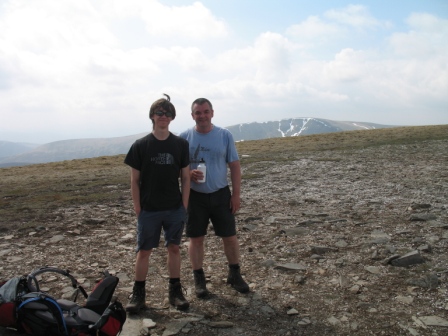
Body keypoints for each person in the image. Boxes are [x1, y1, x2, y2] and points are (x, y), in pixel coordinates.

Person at [124, 94, 190, 312]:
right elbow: (134, 180)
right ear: (152, 116)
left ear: (172, 118)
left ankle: (175, 292)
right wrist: (137, 208)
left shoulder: (180, 144)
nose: (164, 116)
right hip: (149, 209)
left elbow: (186, 177)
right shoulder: (140, 145)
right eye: (160, 112)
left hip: (174, 208)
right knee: (144, 251)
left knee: (174, 248)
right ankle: (138, 295)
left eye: (168, 113)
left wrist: (184, 205)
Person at [179, 98, 249, 298]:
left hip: (220, 194)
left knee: (229, 236)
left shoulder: (224, 135)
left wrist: (236, 195)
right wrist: (188, 174)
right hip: (194, 196)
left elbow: (234, 165)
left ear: (212, 113)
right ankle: (199, 279)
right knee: (196, 238)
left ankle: (234, 274)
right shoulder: (184, 138)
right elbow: (178, 168)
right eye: (198, 113)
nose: (202, 116)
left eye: (205, 111)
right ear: (192, 115)